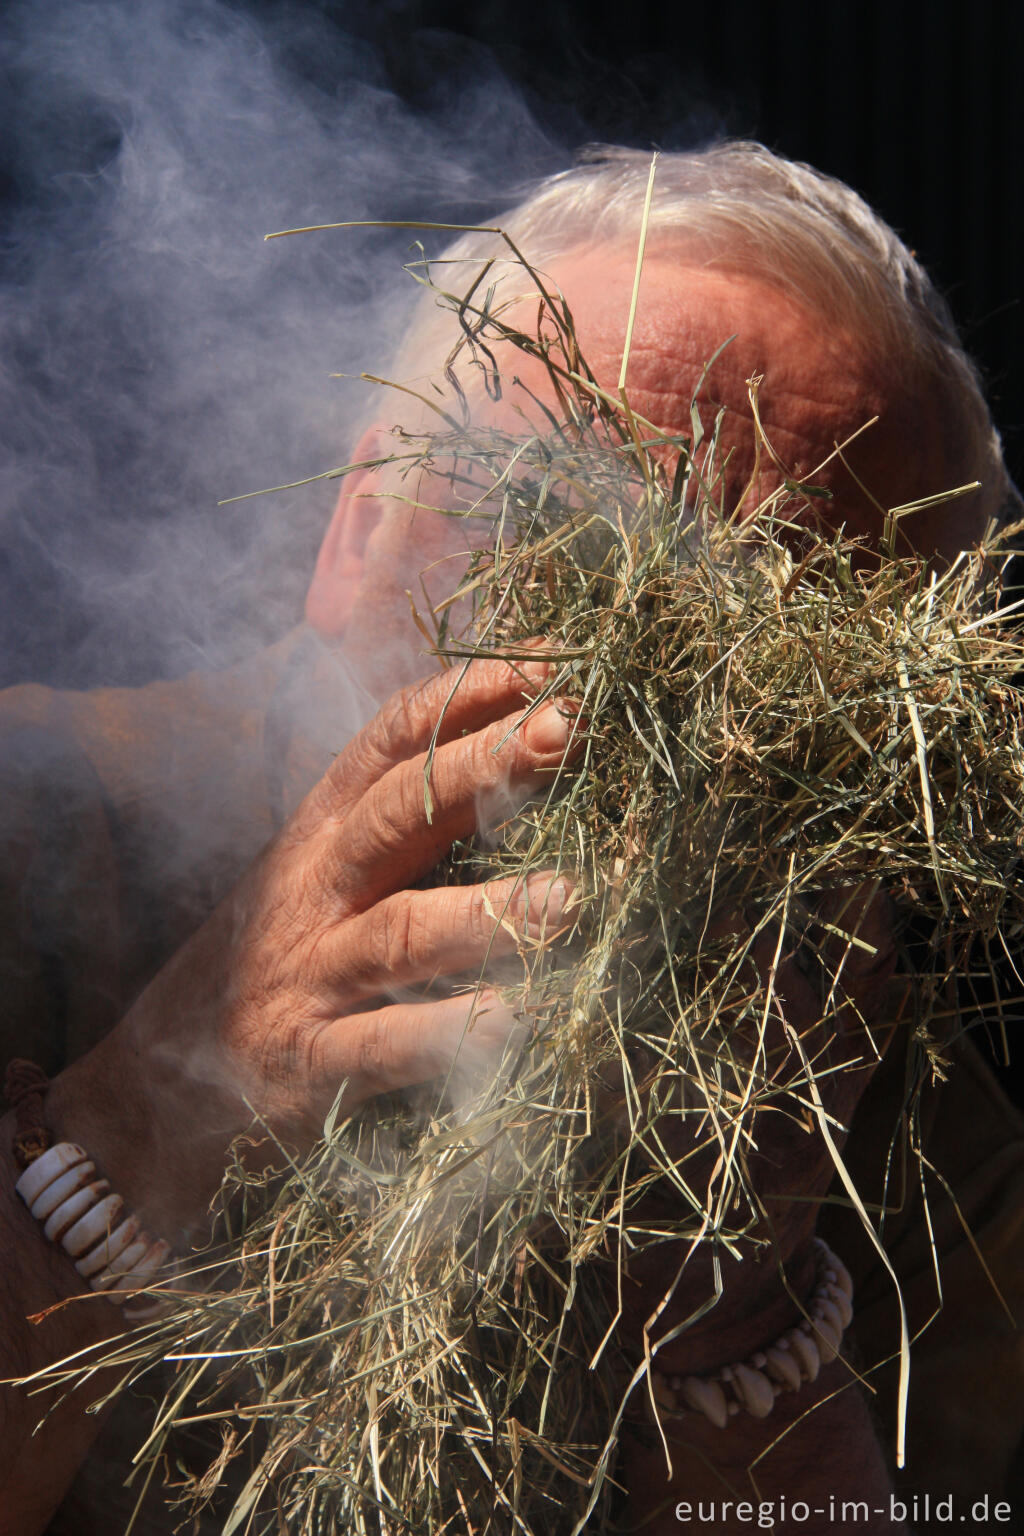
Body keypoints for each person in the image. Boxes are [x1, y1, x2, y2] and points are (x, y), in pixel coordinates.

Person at [1, 142, 1021, 1536]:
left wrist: (747, 1310)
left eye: (800, 663)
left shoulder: (900, 1123)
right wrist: (148, 1120)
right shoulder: (40, 834)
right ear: (357, 524)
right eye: (564, 542)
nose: (655, 711)